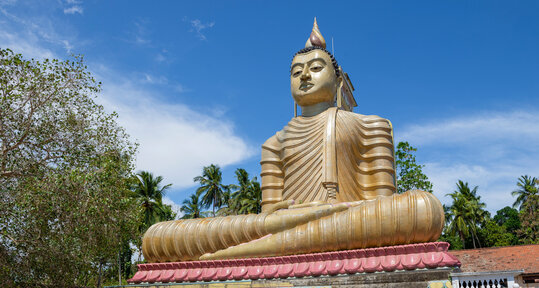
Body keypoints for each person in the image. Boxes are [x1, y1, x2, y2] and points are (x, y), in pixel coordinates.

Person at [142, 20, 444, 262]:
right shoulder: (274, 143)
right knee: (159, 237)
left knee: (420, 208)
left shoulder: (371, 125)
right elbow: (267, 216)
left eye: (315, 68)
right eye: (296, 72)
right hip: (286, 226)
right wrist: (285, 215)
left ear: (338, 81)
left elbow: (383, 204)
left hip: (350, 221)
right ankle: (272, 245)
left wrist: (331, 214)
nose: (304, 77)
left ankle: (233, 256)